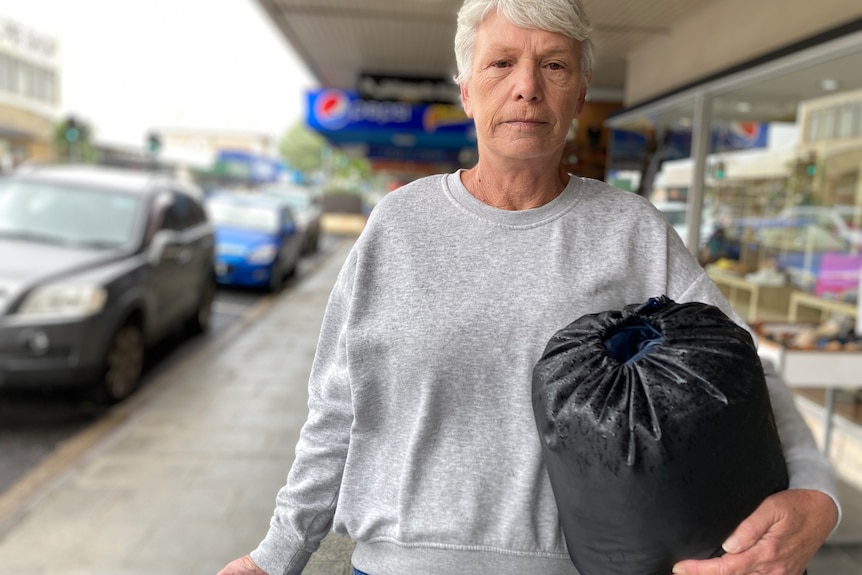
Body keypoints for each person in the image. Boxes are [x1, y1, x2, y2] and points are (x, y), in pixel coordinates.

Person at [217, 1, 840, 573]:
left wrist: (816, 494)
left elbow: (740, 370)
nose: (527, 87)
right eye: (501, 63)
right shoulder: (399, 226)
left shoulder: (631, 232)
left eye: (554, 65)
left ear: (580, 91)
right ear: (466, 90)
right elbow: (338, 410)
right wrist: (277, 552)